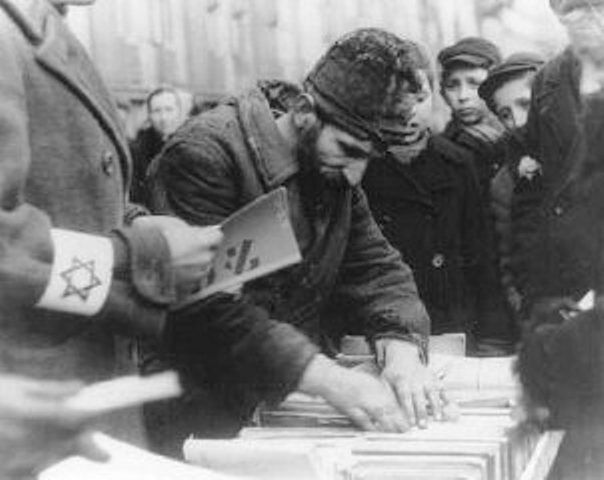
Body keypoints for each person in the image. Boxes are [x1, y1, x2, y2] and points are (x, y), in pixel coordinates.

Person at [146, 29, 444, 456]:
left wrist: (401, 349)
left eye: (368, 159)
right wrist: (332, 381)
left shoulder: (331, 169)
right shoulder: (207, 156)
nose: (355, 176)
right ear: (304, 111)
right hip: (198, 418)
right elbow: (205, 310)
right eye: (348, 150)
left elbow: (376, 268)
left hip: (276, 410)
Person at [0, 0, 222, 459]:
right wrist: (144, 257)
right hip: (35, 420)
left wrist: (130, 220)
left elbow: (59, 195)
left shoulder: (37, 26)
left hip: (70, 404)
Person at [514, 0, 604, 478]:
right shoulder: (549, 80)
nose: (580, 15)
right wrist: (536, 287)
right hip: (564, 283)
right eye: (567, 6)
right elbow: (532, 194)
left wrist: (549, 353)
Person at [363, 42, 485, 342]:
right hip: (387, 328)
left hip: (451, 324)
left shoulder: (458, 162)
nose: (407, 113)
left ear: (433, 96)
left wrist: (490, 337)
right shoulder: (360, 168)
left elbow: (481, 257)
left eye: (419, 98)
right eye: (393, 100)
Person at [438, 37, 513, 353]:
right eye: (453, 85)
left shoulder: (515, 139)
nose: (464, 96)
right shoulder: (446, 153)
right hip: (480, 296)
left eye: (474, 83)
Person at [477, 52, 545, 327]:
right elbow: (511, 272)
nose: (517, 122)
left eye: (525, 104)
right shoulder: (506, 184)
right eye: (505, 114)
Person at [130, 87, 184, 206]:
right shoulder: (138, 150)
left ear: (179, 112)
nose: (163, 118)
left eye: (169, 110)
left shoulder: (194, 142)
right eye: (157, 111)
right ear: (149, 115)